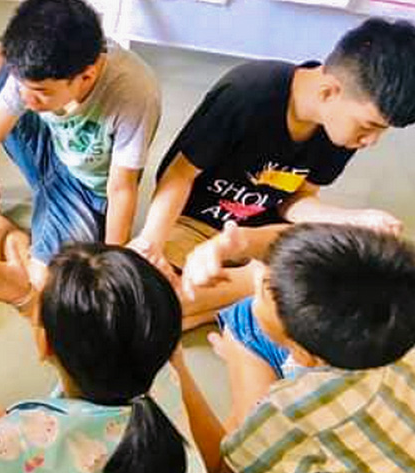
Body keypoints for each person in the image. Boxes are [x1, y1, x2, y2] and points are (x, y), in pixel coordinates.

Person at [130, 18, 415, 329]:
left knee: (354, 275)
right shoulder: (249, 92)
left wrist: (353, 219)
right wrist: (151, 243)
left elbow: (296, 201)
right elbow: (179, 176)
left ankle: (240, 293)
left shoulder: (341, 131)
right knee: (139, 305)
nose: (371, 141)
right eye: (370, 126)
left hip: (262, 237)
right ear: (329, 92)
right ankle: (252, 294)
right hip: (195, 224)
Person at [0, 0, 159, 268]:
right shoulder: (31, 78)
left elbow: (121, 190)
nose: (26, 100)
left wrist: (112, 266)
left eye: (40, 92)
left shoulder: (133, 94)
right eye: (22, 86)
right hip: (50, 144)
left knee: (48, 278)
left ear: (86, 76)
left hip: (86, 191)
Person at [0, 243, 207, 473]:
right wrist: (26, 299)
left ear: (44, 344)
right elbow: (98, 336)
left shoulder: (22, 440)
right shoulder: (159, 376)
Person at [172, 223, 415, 473]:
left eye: (265, 289)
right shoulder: (396, 307)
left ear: (303, 357)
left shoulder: (297, 410)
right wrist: (236, 242)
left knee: (244, 322)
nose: (257, 274)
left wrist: (178, 370)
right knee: (246, 317)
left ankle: (244, 433)